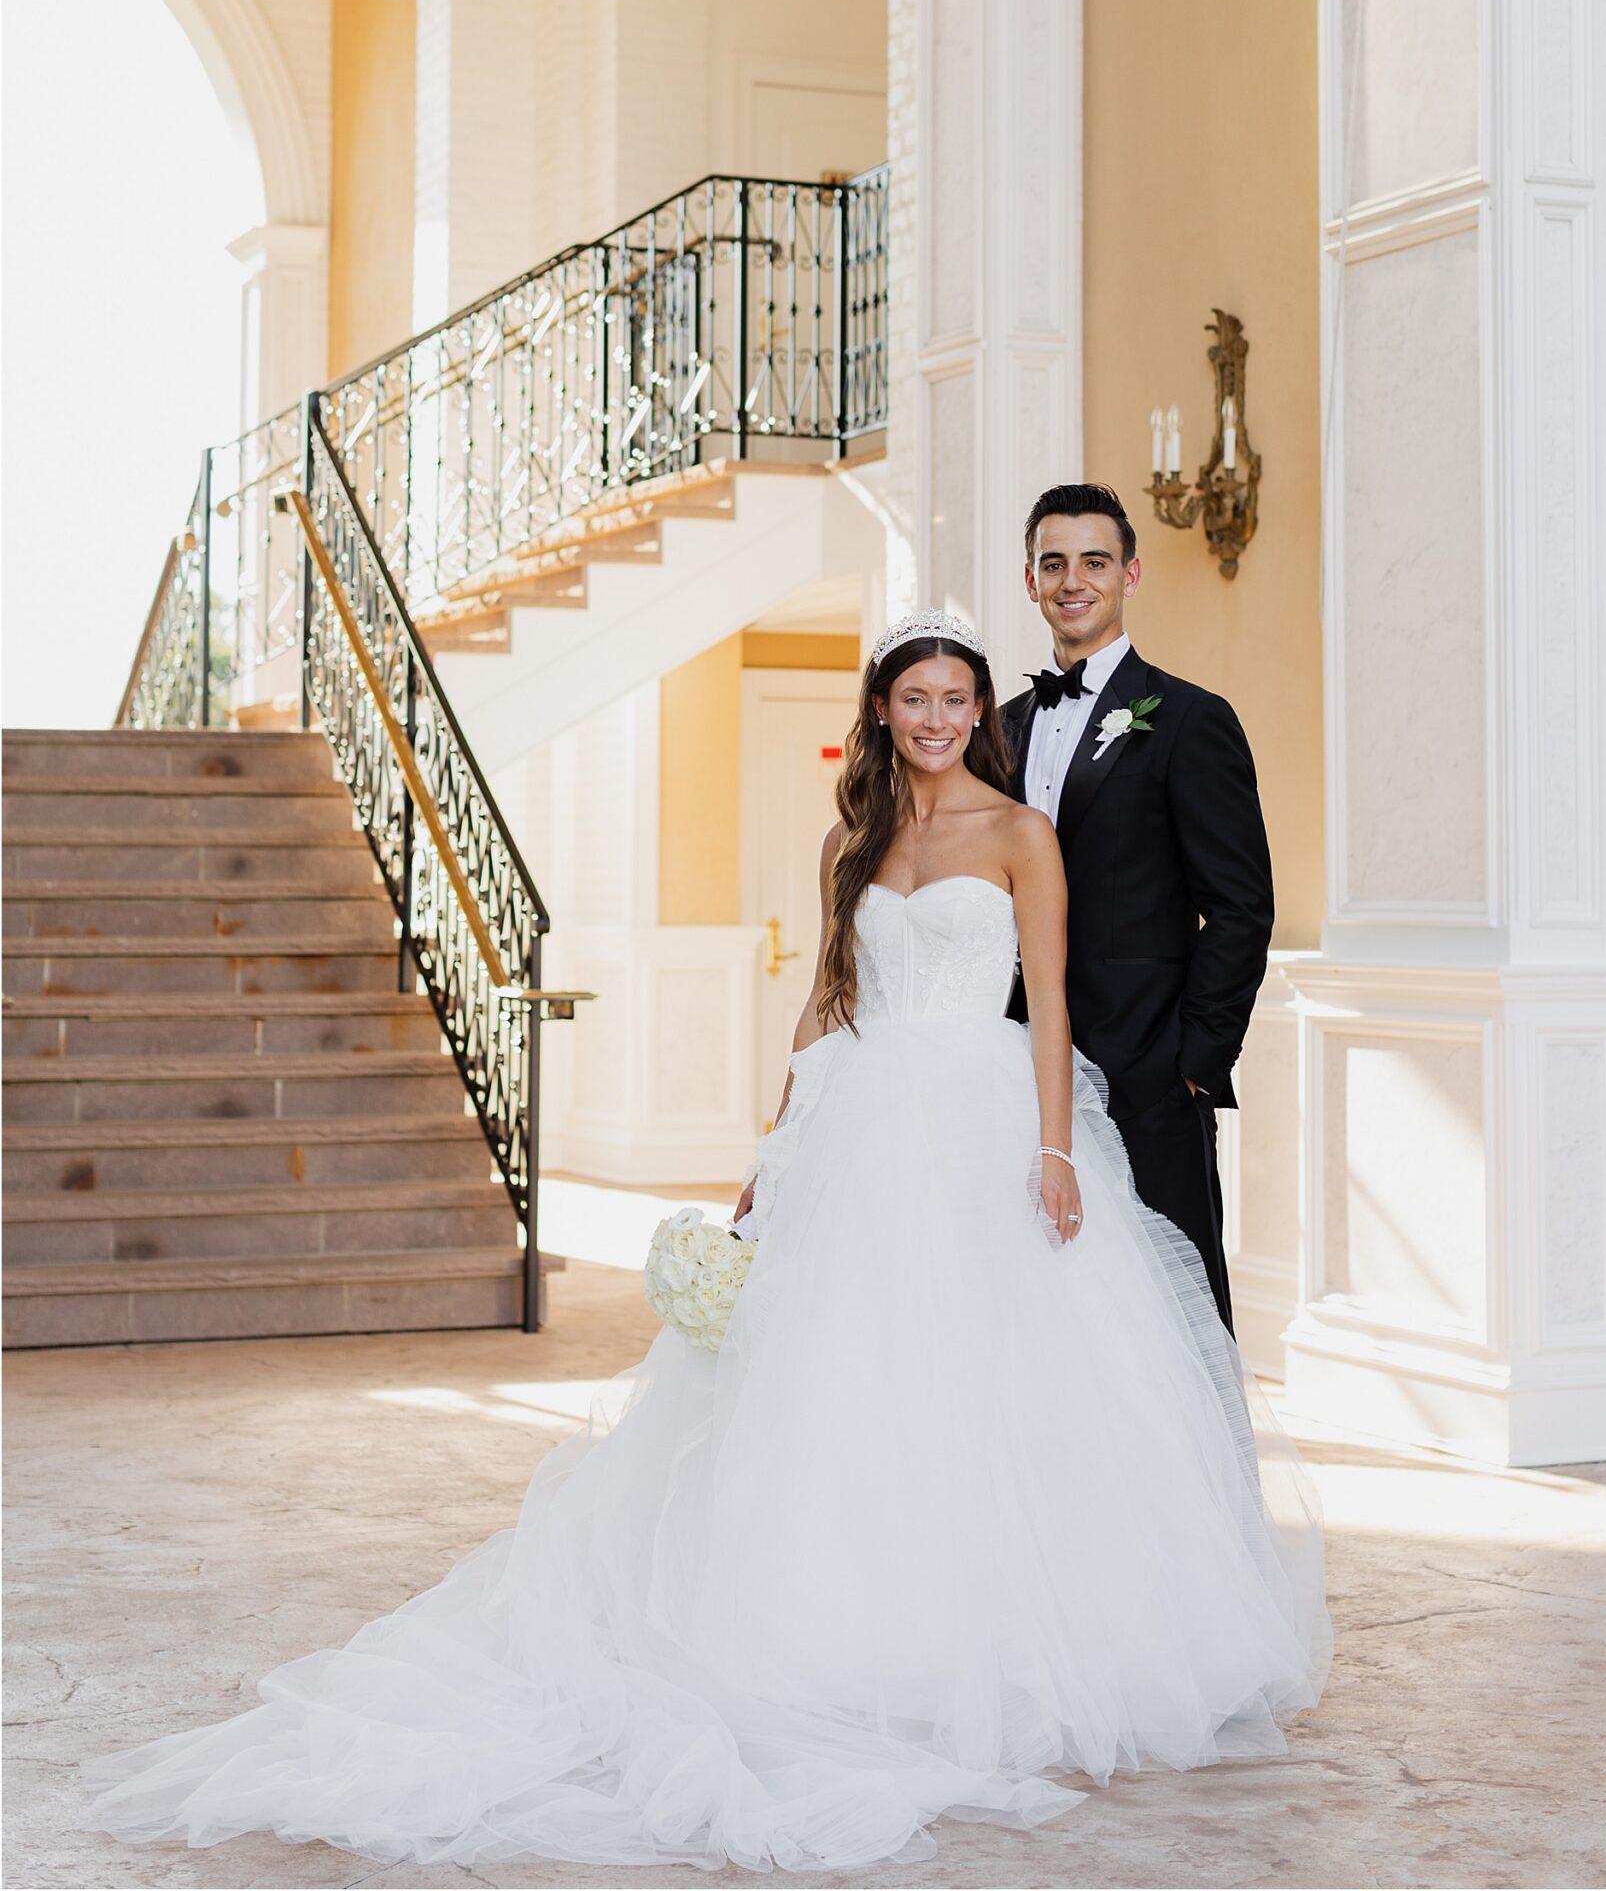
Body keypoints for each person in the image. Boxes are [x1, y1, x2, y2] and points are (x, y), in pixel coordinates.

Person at [87, 612, 1328, 1876]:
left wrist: (1056, 1150)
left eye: (958, 698)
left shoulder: (1021, 835)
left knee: (992, 1380)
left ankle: (1019, 1639)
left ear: (979, 712)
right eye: (917, 699)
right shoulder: (858, 839)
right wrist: (775, 1148)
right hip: (863, 1118)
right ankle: (847, 1630)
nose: (939, 717)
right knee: (841, 1377)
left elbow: (1052, 999)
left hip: (985, 1115)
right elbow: (827, 996)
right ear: (886, 712)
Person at [1004, 483, 1275, 1332]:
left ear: (1131, 574)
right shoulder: (997, 729)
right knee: (1039, 1315)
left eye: (1095, 561)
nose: (1073, 580)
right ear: (1030, 580)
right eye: (1055, 563)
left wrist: (1191, 1062)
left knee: (1173, 1321)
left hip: (1147, 1081)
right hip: (1010, 1078)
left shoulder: (1193, 721)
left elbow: (1240, 906)